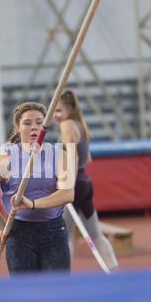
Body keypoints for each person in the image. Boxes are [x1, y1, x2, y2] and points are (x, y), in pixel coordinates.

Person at [0, 101, 75, 275]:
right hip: (19, 234)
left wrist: (33, 203)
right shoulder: (7, 160)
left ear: (45, 126)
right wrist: (2, 227)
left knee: (58, 293)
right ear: (18, 128)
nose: (34, 127)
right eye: (27, 123)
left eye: (39, 122)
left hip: (54, 232)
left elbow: (68, 194)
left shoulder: (60, 156)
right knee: (25, 294)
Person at [53, 89, 119, 271]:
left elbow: (73, 157)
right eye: (54, 111)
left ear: (69, 110)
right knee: (95, 235)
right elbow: (86, 158)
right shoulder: (80, 125)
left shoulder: (66, 125)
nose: (55, 116)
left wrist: (66, 184)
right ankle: (115, 272)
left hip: (74, 185)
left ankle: (62, 279)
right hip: (85, 183)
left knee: (65, 236)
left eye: (58, 111)